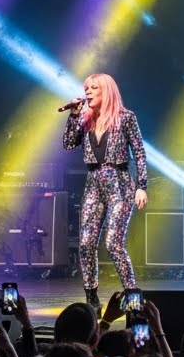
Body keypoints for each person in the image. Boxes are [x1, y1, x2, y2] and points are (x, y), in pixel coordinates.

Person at [63, 73, 147, 312]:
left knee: (113, 243)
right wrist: (74, 114)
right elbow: (68, 143)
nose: (88, 92)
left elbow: (139, 152)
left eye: (93, 88)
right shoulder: (85, 119)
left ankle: (132, 296)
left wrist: (141, 186)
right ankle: (92, 299)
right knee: (86, 244)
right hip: (93, 183)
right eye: (86, 88)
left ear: (106, 91)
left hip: (120, 184)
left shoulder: (125, 117)